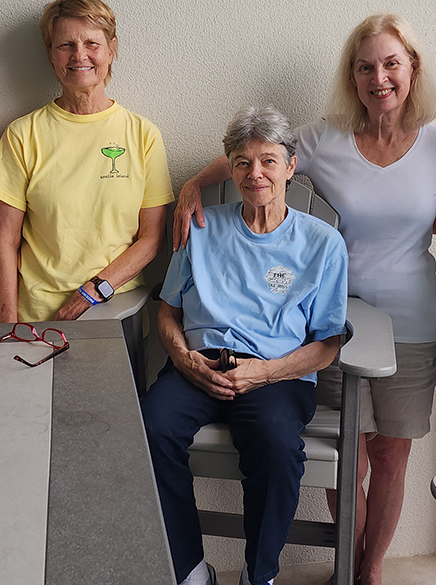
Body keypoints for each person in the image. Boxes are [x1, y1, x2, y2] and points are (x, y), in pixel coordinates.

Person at [174, 14, 436, 584]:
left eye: (391, 64)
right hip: (335, 322)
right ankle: (344, 565)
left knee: (391, 456)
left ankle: (369, 571)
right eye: (365, 67)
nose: (379, 78)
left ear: (413, 70)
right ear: (352, 77)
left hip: (414, 322)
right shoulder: (325, 138)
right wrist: (190, 187)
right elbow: (255, 155)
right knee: (346, 459)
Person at [143, 107, 349, 585]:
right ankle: (191, 570)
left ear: (290, 167)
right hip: (198, 367)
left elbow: (328, 343)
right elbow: (167, 311)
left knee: (278, 448)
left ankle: (258, 576)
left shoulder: (322, 242)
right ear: (230, 167)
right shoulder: (200, 228)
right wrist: (182, 358)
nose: (254, 174)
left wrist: (266, 372)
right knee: (150, 431)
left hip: (277, 374)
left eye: (268, 161)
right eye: (242, 162)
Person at [0, 0, 173, 322]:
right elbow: (4, 242)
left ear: (111, 50)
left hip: (115, 309)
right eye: (65, 45)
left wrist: (92, 292)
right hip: (36, 318)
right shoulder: (22, 135)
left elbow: (151, 238)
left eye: (92, 44)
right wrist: (8, 326)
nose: (79, 55)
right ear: (51, 55)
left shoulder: (143, 135)